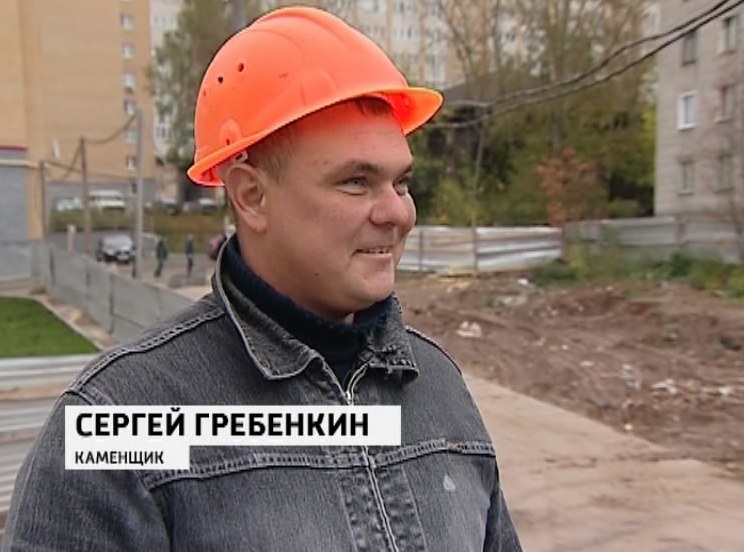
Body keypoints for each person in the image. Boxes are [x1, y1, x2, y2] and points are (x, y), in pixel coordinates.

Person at [2, 6, 522, 551]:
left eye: (401, 182)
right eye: (356, 182)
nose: (397, 213)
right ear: (251, 196)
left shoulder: (438, 386)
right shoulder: (122, 420)